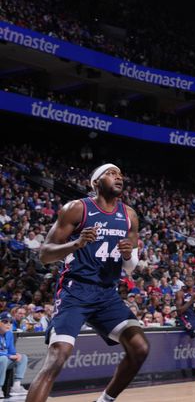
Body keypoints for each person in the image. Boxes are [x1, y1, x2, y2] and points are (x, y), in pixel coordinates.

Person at [26, 163, 149, 402]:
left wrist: (127, 255)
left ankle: (104, 400)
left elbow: (130, 267)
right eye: (111, 173)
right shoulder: (77, 209)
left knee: (140, 348)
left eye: (121, 174)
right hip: (76, 291)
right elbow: (45, 254)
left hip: (107, 294)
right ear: (96, 182)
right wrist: (76, 244)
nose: (118, 177)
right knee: (57, 358)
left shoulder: (129, 215)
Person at [0, 312, 28, 397]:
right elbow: (7, 355)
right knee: (4, 358)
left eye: (10, 322)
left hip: (4, 360)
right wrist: (9, 356)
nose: (8, 324)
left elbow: (12, 351)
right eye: (5, 322)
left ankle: (16, 386)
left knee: (23, 357)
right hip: (2, 359)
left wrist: (16, 354)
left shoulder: (9, 334)